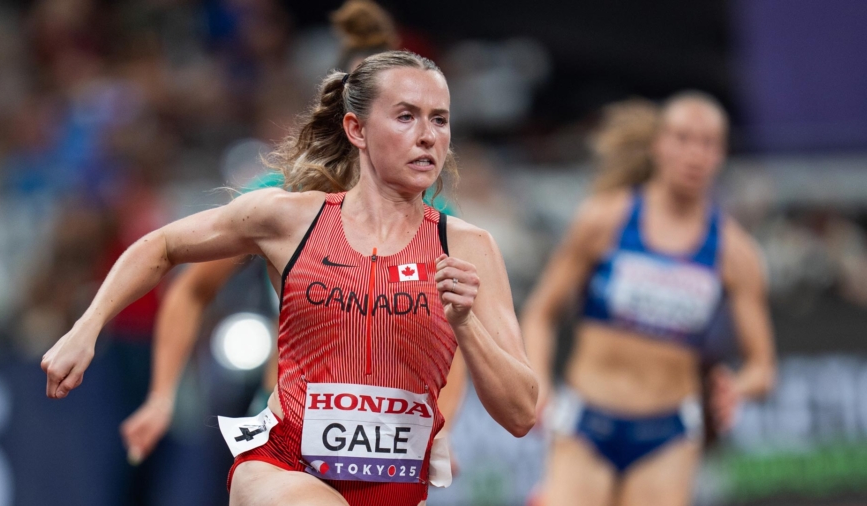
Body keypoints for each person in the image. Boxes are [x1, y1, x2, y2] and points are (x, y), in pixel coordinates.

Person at [41, 50, 537, 506]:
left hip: (394, 489)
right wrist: (87, 328)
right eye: (406, 116)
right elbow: (164, 246)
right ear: (356, 129)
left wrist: (466, 324)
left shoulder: (468, 247)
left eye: (440, 119)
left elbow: (521, 413)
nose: (428, 135)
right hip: (281, 466)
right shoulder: (289, 218)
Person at [118, 0, 466, 468]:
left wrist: (443, 429)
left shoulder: (437, 219)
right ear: (349, 115)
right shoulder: (279, 197)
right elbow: (193, 287)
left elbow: (457, 335)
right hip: (286, 410)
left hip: (388, 430)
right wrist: (162, 395)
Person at [522, 93, 776, 506]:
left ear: (722, 154)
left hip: (668, 436)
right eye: (683, 138)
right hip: (587, 425)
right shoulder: (605, 218)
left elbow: (763, 368)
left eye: (708, 143)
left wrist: (737, 387)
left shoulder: (736, 252)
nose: (695, 154)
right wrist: (538, 384)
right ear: (659, 144)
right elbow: (540, 312)